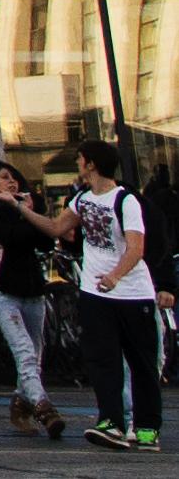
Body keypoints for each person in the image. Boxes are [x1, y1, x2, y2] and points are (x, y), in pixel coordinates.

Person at [0, 156, 73, 440]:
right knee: (23, 351)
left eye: (14, 178)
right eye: (3, 178)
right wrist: (24, 213)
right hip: (1, 290)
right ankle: (44, 408)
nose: (11, 182)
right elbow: (12, 236)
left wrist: (25, 210)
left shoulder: (25, 208)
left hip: (32, 288)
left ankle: (20, 402)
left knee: (36, 353)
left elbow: (47, 240)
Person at [65, 136, 160, 450]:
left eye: (80, 159)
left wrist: (116, 276)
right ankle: (112, 423)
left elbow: (138, 248)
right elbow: (57, 228)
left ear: (90, 163)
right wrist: (16, 208)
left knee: (142, 363)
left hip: (133, 294)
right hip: (96, 294)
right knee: (103, 360)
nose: (77, 164)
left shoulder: (127, 200)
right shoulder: (80, 199)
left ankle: (146, 428)